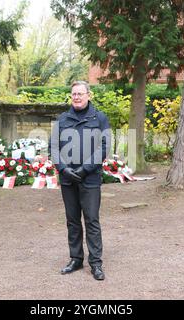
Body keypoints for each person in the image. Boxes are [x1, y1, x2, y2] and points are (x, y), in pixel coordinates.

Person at [50, 80, 111, 281]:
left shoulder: (99, 118)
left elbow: (104, 146)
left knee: (92, 220)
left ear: (88, 95)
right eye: (74, 94)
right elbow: (54, 148)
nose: (77, 97)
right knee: (72, 221)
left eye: (80, 94)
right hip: (68, 179)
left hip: (90, 178)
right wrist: (64, 169)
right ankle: (76, 259)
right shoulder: (62, 119)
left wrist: (84, 169)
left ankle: (96, 263)